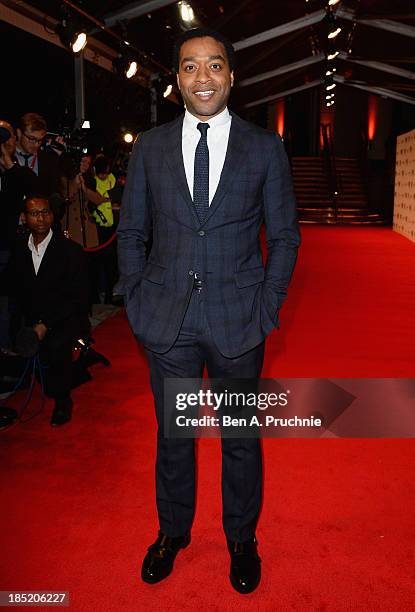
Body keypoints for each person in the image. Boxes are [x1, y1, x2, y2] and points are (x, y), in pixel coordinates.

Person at [117, 28, 300, 593]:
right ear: (177, 79)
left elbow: (286, 236)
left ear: (231, 76)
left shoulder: (264, 146)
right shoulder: (149, 147)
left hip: (238, 319)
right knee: (175, 436)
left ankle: (242, 541)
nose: (203, 77)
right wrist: (138, 297)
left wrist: (267, 303)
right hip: (167, 321)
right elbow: (131, 232)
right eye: (191, 67)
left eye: (215, 66)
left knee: (240, 438)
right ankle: (172, 533)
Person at [9, 195, 89, 426]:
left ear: (52, 216)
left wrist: (46, 324)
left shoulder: (70, 251)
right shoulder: (19, 249)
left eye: (45, 212)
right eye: (35, 213)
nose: (41, 218)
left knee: (57, 350)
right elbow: (16, 289)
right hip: (32, 318)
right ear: (24, 218)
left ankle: (63, 402)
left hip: (64, 319)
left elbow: (78, 298)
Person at [0, 120, 37, 348]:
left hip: (11, 249)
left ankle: (10, 351)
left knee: (10, 305)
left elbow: (34, 189)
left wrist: (8, 163)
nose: (5, 143)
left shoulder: (17, 173)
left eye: (8, 138)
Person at [15, 113, 61, 198]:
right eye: (32, 139)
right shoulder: (6, 157)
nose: (36, 145)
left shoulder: (49, 160)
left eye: (39, 140)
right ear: (19, 133)